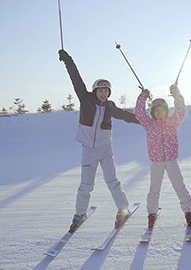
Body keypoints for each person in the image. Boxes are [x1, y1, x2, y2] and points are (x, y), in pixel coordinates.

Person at [58, 49, 140, 232]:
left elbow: (126, 116)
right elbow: (76, 78)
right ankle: (79, 214)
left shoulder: (110, 107)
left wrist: (144, 120)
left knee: (113, 181)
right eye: (100, 90)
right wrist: (68, 61)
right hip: (88, 150)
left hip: (105, 150)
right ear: (95, 91)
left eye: (106, 91)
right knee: (86, 185)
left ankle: (123, 209)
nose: (103, 94)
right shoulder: (85, 99)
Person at [135, 84, 191, 229]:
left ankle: (188, 211)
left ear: (167, 111)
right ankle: (151, 214)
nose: (160, 113)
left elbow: (181, 109)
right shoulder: (149, 124)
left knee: (179, 186)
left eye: (163, 110)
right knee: (154, 189)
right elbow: (139, 114)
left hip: (171, 161)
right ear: (153, 113)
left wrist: (176, 94)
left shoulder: (172, 122)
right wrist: (143, 97)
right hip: (156, 163)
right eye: (157, 111)